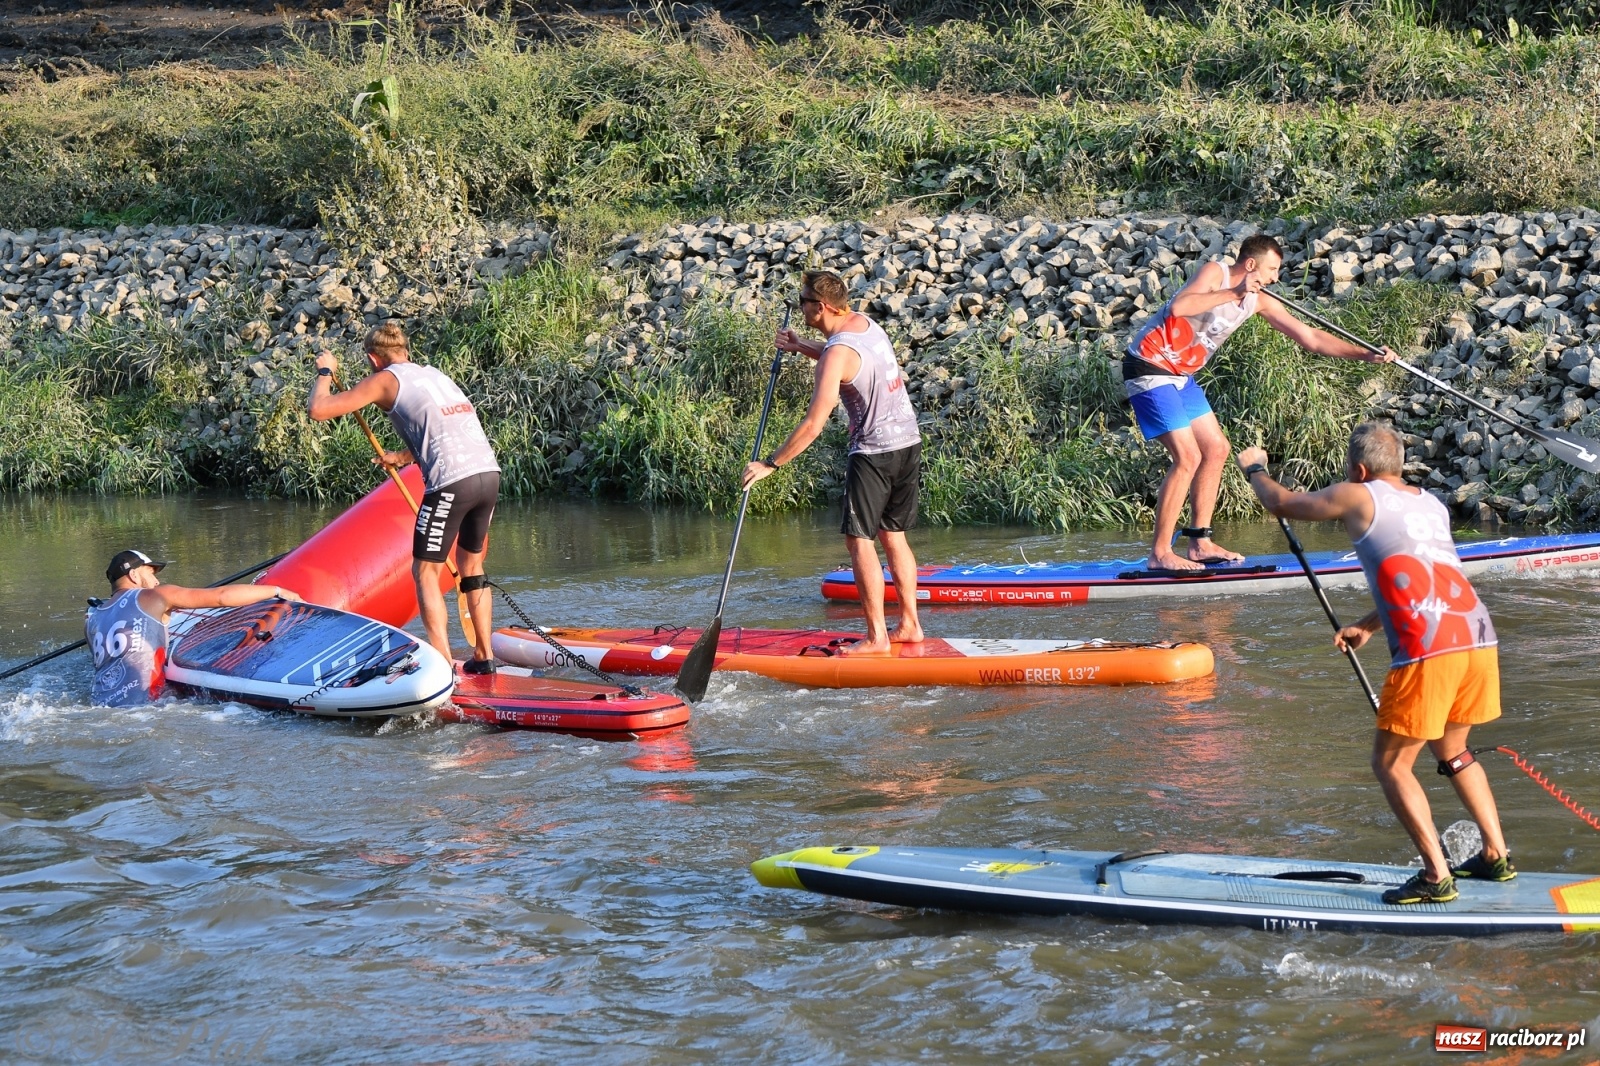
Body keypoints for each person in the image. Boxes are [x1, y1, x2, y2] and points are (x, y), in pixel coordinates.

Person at [1237, 422, 1515, 905]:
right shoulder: (1430, 502)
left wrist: (1255, 468)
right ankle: (1495, 854)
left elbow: (1280, 503)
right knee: (1453, 752)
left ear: (1360, 469)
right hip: (1476, 635)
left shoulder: (1358, 495)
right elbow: (1426, 575)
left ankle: (1435, 877)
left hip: (1431, 649)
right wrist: (1368, 624)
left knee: (1390, 764)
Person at [1124, 234, 1397, 571]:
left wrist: (1365, 354)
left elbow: (1309, 338)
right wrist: (1236, 292)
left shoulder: (1260, 300)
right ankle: (1160, 553)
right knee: (1188, 456)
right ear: (1251, 265)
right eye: (1272, 269)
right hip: (1150, 366)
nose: (1274, 278)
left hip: (1181, 377)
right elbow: (1180, 307)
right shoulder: (1217, 273)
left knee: (1216, 450)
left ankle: (1199, 542)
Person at [741, 270, 924, 655]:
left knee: (859, 540)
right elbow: (844, 358)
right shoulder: (865, 324)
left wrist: (770, 464)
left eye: (802, 302)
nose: (799, 307)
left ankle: (877, 638)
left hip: (873, 453)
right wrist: (800, 346)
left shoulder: (835, 354)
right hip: (908, 443)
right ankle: (910, 625)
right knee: (894, 536)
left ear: (820, 307)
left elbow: (813, 424)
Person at [307, 323, 500, 672]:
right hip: (488, 475)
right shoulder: (435, 376)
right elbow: (442, 428)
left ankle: (442, 666)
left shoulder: (384, 379)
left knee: (425, 570)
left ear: (373, 358)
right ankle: (484, 657)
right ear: (406, 351)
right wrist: (403, 457)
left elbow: (319, 410)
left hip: (451, 482)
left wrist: (325, 371)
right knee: (472, 567)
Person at [86, 549, 302, 707]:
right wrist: (276, 591)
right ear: (134, 575)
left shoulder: (93, 618)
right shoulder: (155, 596)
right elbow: (221, 597)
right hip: (145, 704)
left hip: (100, 704)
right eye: (151, 573)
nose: (156, 581)